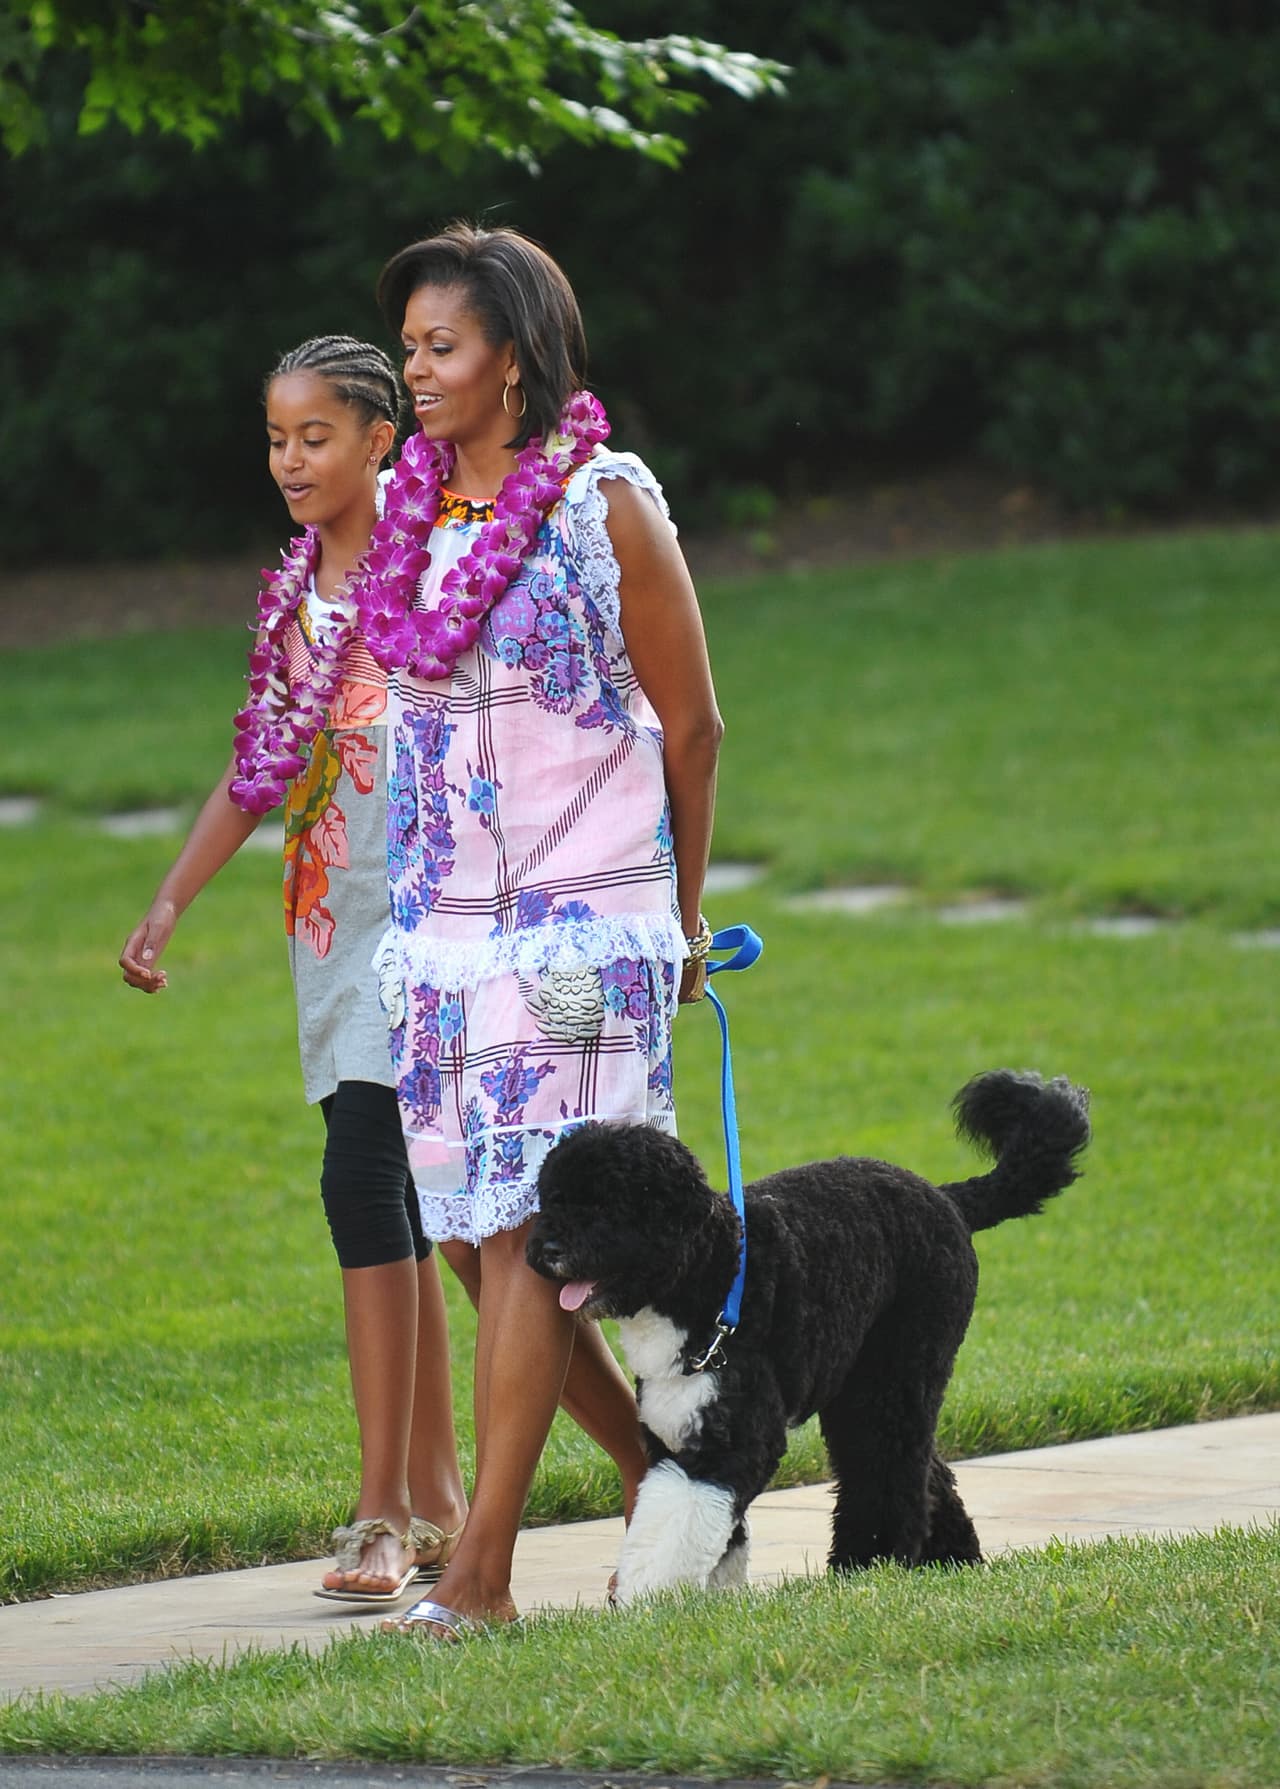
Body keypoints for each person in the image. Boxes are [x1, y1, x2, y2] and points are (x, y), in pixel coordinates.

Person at [118, 334, 644, 1604]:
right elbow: (258, 765)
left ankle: (391, 1512)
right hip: (330, 933)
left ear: (376, 442)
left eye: (314, 436)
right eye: (274, 438)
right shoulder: (300, 596)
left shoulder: (431, 566)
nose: (289, 460)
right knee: (420, 1215)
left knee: (379, 1189)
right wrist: (170, 901)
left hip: (439, 917)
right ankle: (466, 1489)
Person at [362, 224, 723, 1638]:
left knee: (530, 1226)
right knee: (469, 1233)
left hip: (590, 937)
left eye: (442, 348)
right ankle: (669, 1485)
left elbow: (690, 723)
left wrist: (682, 918)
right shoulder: (411, 503)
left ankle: (480, 1580)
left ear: (515, 358)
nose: (420, 371)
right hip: (447, 936)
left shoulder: (602, 502)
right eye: (408, 350)